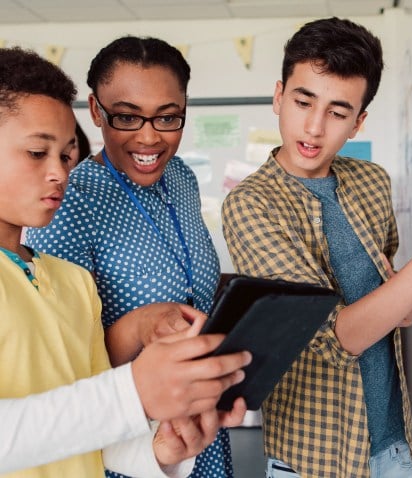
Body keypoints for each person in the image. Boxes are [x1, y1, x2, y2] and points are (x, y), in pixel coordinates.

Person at [221, 17, 412, 478]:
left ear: (358, 122)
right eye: (303, 101)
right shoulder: (251, 204)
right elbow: (335, 339)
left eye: (338, 112)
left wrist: (401, 290)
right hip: (313, 457)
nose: (315, 127)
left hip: (392, 443)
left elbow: (401, 309)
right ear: (279, 95)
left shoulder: (372, 182)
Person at [0, 46, 251, 478]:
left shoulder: (71, 282)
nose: (60, 172)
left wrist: (161, 449)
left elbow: (91, 432)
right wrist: (134, 390)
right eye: (37, 153)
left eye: (66, 154)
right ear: (99, 112)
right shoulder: (80, 205)